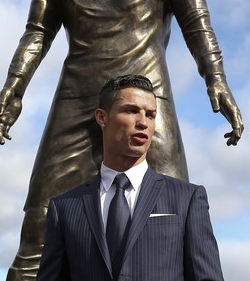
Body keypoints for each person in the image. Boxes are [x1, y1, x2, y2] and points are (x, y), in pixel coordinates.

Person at [0, 0, 242, 280]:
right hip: (77, 98)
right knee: (39, 230)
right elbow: (37, 34)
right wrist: (12, 89)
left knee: (176, 223)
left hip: (146, 100)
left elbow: (199, 27)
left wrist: (217, 80)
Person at [37, 74, 225, 281]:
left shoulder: (187, 198)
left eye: (151, 115)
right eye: (132, 110)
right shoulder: (64, 208)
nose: (143, 122)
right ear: (102, 117)